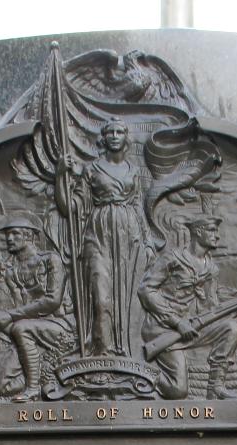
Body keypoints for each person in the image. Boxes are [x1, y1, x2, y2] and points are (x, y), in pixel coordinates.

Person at [139, 213, 237, 400]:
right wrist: (177, 322)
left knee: (231, 328)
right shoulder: (172, 258)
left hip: (192, 327)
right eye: (212, 230)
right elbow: (146, 290)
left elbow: (212, 309)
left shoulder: (211, 268)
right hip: (163, 330)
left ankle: (215, 388)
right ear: (198, 232)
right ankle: (141, 374)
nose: (217, 235)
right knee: (178, 391)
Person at [59, 120, 149, 357]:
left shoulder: (134, 170)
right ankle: (101, 350)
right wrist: (60, 176)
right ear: (104, 138)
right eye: (110, 132)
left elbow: (139, 206)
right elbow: (70, 207)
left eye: (120, 131)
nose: (115, 136)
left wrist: (146, 242)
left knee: (125, 296)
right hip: (98, 234)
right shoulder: (92, 170)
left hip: (129, 235)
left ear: (126, 137)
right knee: (101, 293)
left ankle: (125, 351)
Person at [0, 214, 74, 401]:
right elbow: (20, 311)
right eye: (7, 236)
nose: (9, 239)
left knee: (21, 327)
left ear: (29, 236)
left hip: (62, 325)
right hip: (32, 331)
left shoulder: (51, 260)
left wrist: (10, 316)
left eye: (15, 234)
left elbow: (53, 300)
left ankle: (33, 387)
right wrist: (2, 321)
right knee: (0, 387)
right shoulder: (12, 273)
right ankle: (45, 374)